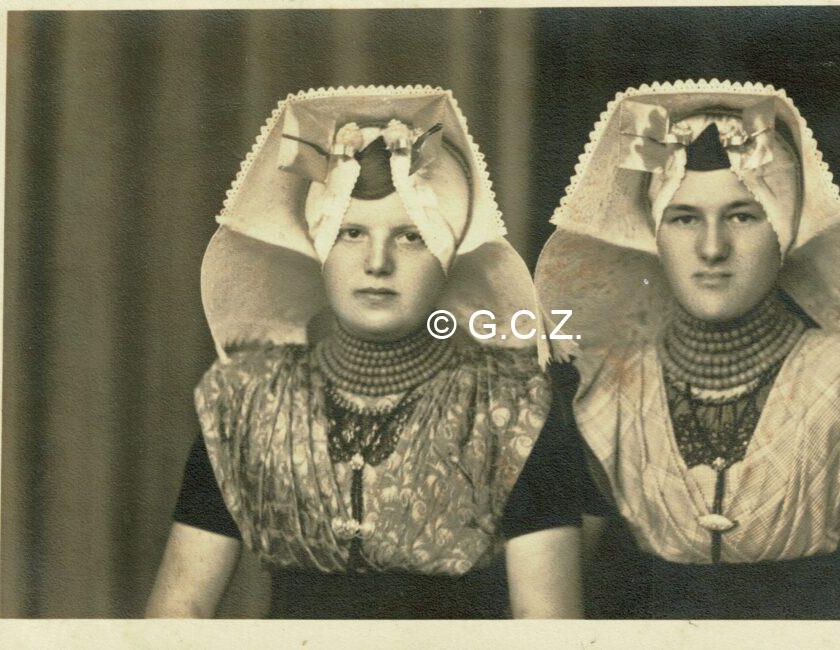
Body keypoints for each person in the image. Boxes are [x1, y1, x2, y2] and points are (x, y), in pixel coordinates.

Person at [145, 86, 582, 619]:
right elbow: (179, 612)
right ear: (318, 246)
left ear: (448, 257)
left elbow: (548, 628)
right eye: (351, 233)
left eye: (410, 237)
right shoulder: (244, 401)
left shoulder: (514, 408)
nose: (377, 262)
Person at [535, 80, 840, 619]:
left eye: (743, 215)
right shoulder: (605, 394)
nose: (712, 248)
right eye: (684, 218)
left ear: (784, 228)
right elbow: (551, 618)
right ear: (653, 233)